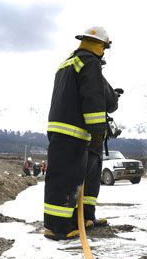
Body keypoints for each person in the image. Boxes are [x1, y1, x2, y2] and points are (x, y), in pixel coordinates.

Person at [43, 26, 119, 240]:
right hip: (74, 131)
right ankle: (59, 228)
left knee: (64, 177)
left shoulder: (68, 63)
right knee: (66, 179)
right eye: (104, 47)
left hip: (60, 128)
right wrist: (97, 130)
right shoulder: (90, 62)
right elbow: (92, 97)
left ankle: (72, 220)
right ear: (100, 46)